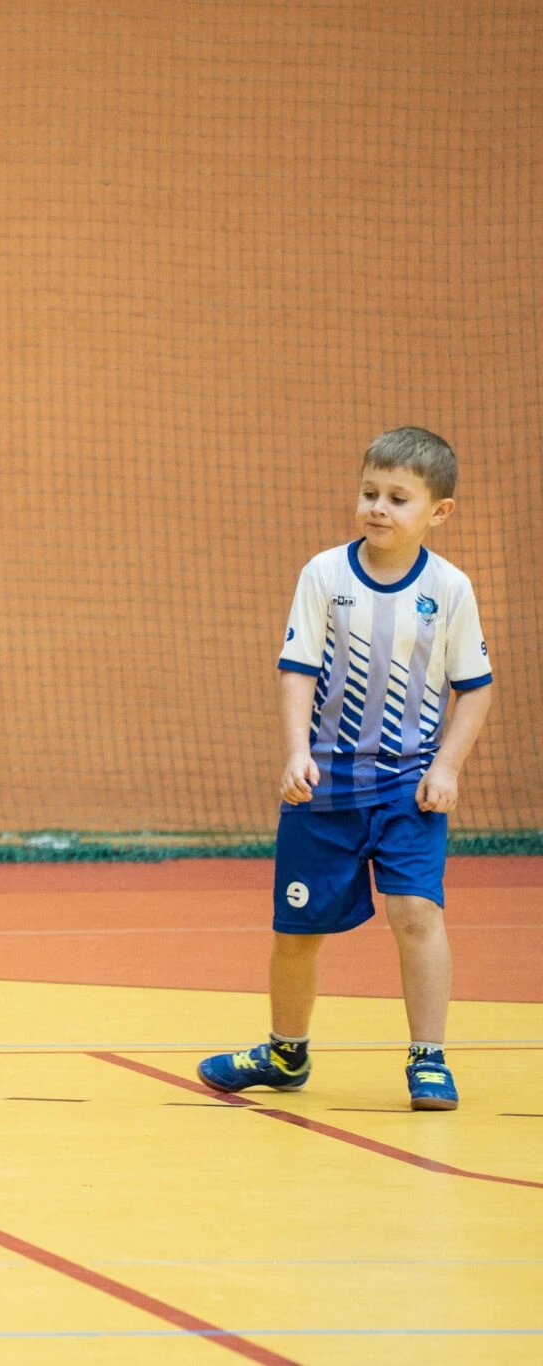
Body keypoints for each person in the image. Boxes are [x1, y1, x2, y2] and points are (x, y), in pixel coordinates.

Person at [198, 428, 494, 1111]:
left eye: (398, 498)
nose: (377, 508)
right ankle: (285, 1053)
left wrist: (447, 766)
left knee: (417, 913)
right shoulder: (324, 575)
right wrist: (296, 751)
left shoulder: (450, 589)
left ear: (439, 512)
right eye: (369, 493)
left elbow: (474, 688)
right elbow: (298, 669)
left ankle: (428, 1058)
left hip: (408, 790)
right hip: (325, 790)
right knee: (296, 932)